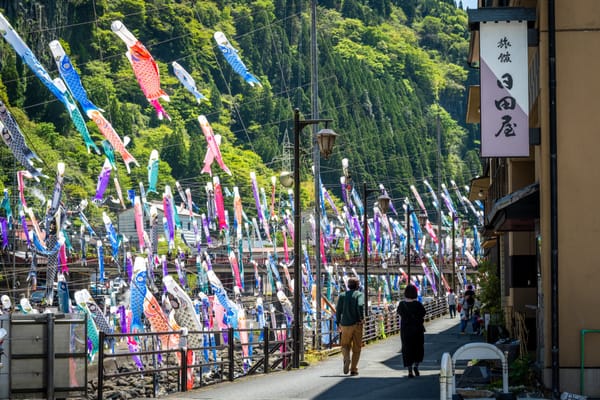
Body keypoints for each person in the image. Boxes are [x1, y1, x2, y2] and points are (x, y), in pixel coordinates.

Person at [336, 276, 364, 376]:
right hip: (357, 324)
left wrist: (338, 322)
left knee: (344, 345)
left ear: (348, 285)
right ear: (357, 286)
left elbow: (338, 310)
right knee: (357, 347)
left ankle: (347, 359)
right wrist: (361, 318)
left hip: (345, 324)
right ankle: (353, 369)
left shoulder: (342, 295)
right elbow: (360, 305)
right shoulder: (359, 294)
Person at [397, 284, 426, 378]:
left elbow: (399, 315)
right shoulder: (418, 304)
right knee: (418, 348)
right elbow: (423, 314)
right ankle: (416, 366)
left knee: (407, 349)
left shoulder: (402, 304)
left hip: (405, 330)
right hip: (417, 329)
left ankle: (409, 370)